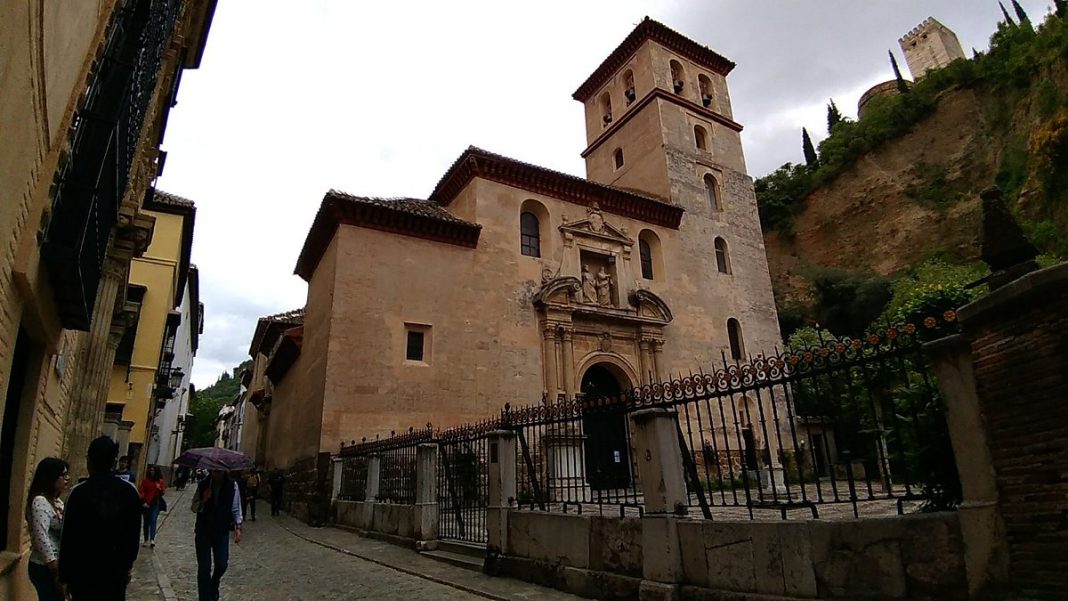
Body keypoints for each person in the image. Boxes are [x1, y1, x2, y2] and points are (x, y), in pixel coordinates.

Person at [60, 436, 141, 601]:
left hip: (82, 572)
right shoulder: (129, 492)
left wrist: (64, 576)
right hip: (114, 571)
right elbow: (133, 536)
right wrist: (127, 566)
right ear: (114, 461)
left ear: (89, 460)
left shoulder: (78, 493)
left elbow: (68, 537)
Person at [192, 470, 242, 601]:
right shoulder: (203, 484)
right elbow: (193, 507)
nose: (216, 472)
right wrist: (203, 499)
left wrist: (238, 526)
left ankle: (214, 584)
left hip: (221, 530)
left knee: (221, 565)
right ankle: (205, 598)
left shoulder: (232, 485)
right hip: (203, 530)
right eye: (214, 469)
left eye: (219, 469)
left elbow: (236, 507)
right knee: (204, 568)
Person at [25, 457, 70, 601]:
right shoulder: (40, 502)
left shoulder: (56, 502)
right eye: (63, 475)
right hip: (44, 566)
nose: (67, 478)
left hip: (56, 565)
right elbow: (40, 537)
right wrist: (53, 565)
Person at [138, 465, 166, 548]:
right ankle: (146, 539)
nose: (152, 472)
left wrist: (159, 489)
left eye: (154, 470)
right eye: (151, 470)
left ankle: (152, 539)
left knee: (153, 520)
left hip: (155, 504)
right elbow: (141, 491)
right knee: (146, 522)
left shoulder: (160, 482)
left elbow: (163, 493)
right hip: (146, 504)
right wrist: (143, 501)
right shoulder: (145, 481)